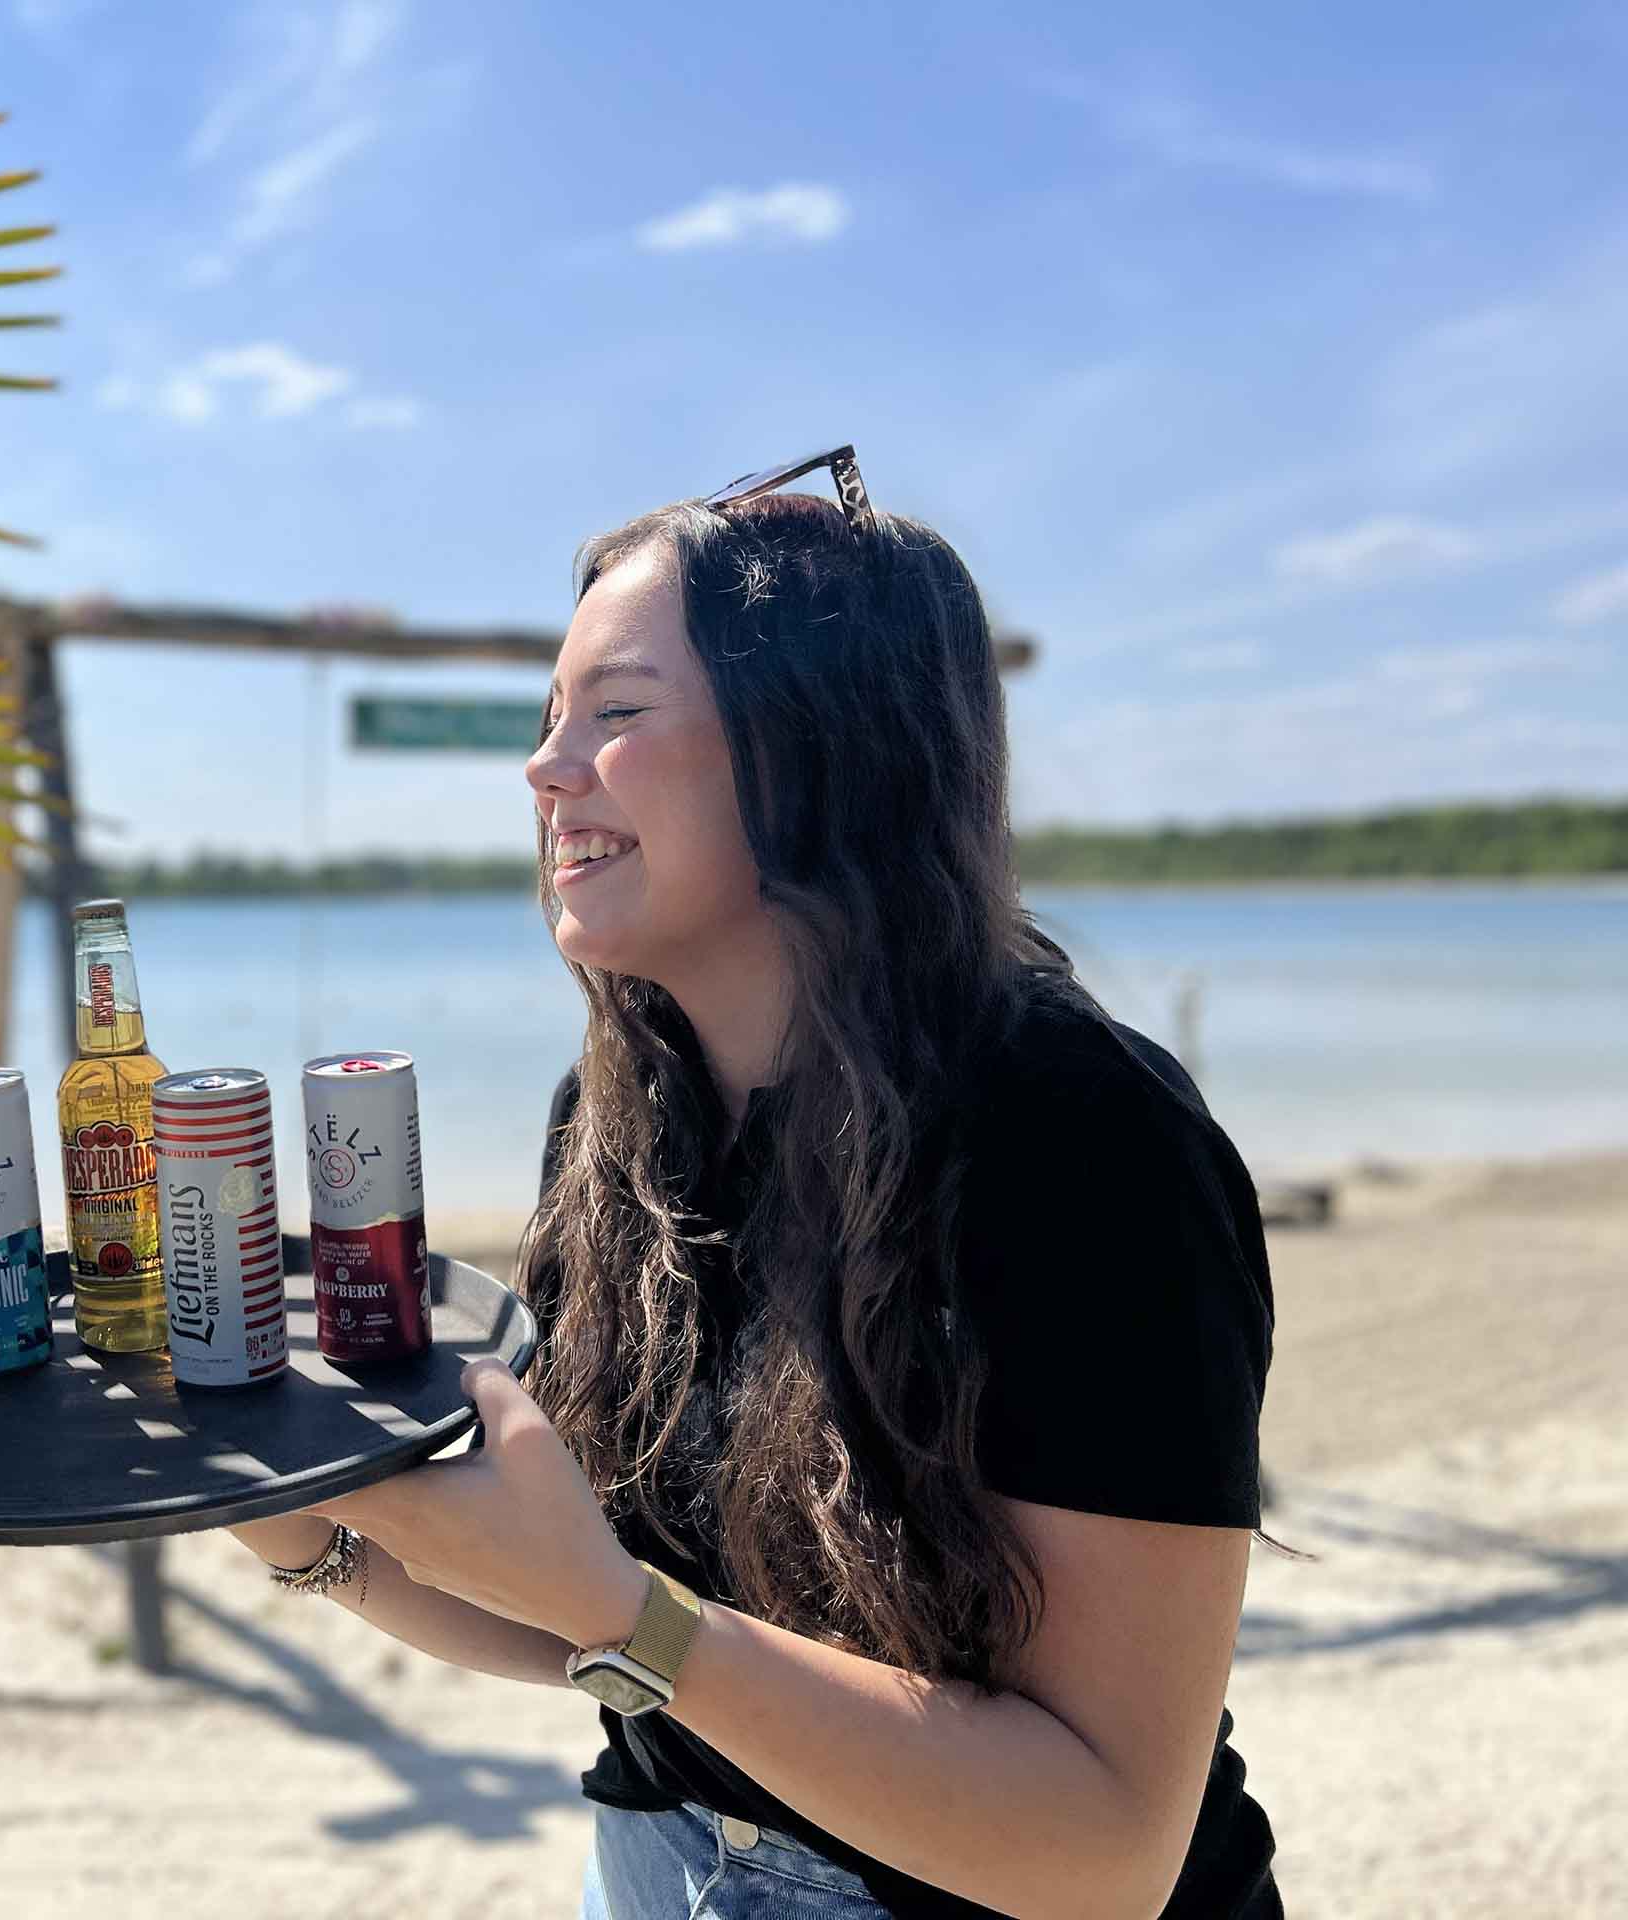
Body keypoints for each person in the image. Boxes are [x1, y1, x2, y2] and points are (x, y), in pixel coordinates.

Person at [227, 450, 1282, 1917]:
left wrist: (628, 1618)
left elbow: (1106, 1850)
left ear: (822, 747)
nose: (544, 769)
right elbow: (583, 1621)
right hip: (659, 1868)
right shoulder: (622, 1119)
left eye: (616, 713)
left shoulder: (1083, 1144)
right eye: (548, 719)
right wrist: (299, 1517)